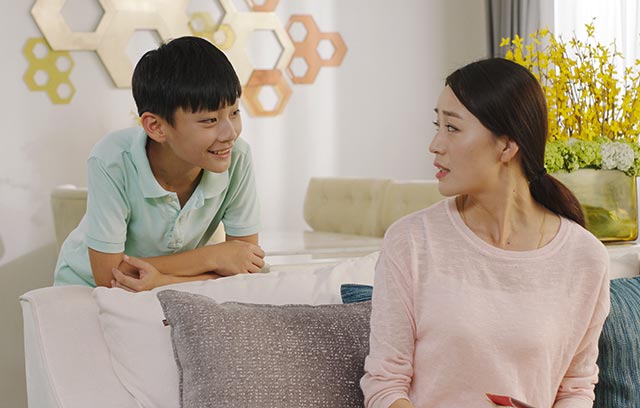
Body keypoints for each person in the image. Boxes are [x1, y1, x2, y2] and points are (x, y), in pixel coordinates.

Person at [360, 58, 610, 407]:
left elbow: (576, 389)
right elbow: (385, 384)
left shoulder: (585, 258)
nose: (435, 144)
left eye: (453, 128)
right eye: (438, 124)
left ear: (506, 146)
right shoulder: (411, 241)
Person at [54, 36, 265, 291]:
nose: (230, 132)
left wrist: (162, 280)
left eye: (234, 112)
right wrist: (214, 257)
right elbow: (108, 276)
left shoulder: (237, 158)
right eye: (210, 120)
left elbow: (246, 267)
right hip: (87, 286)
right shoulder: (111, 159)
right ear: (156, 127)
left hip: (168, 287)